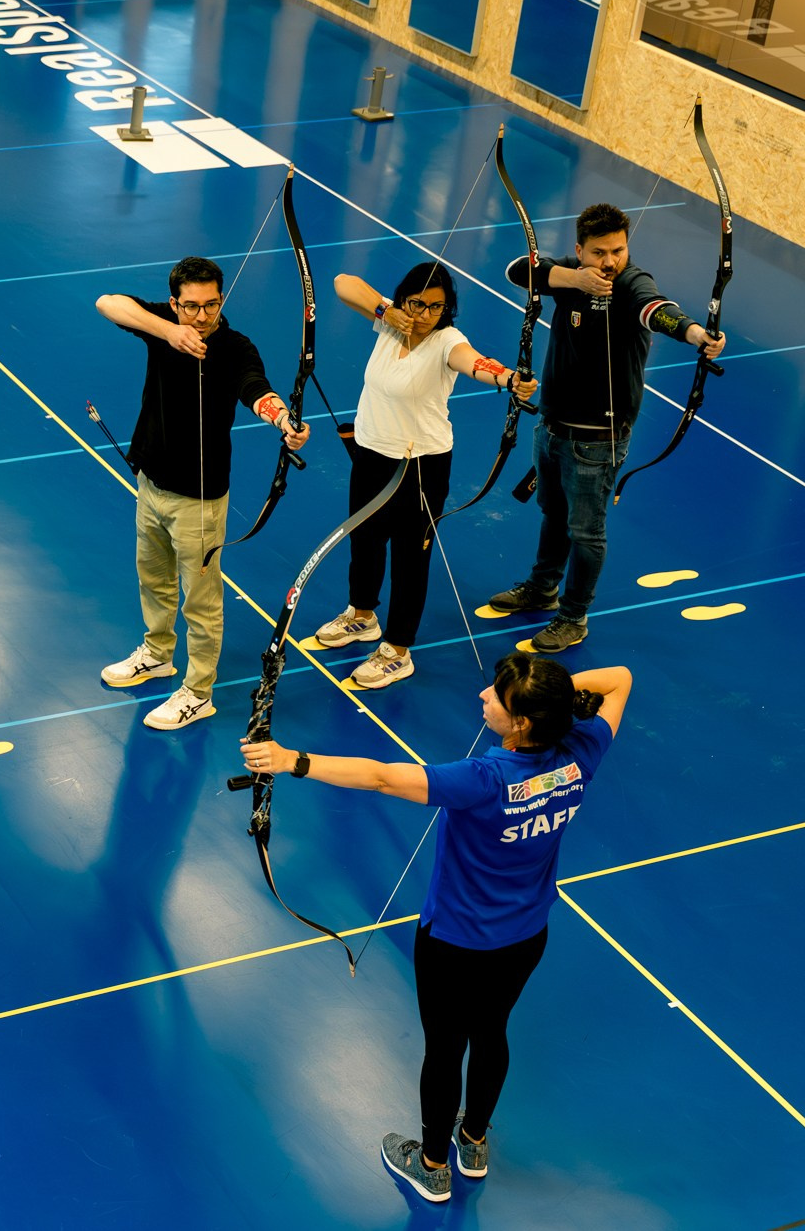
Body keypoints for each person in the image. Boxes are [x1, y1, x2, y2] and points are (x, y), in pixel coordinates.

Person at [239, 655, 632, 1204]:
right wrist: (558, 698)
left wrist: (290, 760)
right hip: (524, 937)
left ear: (521, 723)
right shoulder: (582, 752)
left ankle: (430, 1166)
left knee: (445, 1049)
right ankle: (472, 1143)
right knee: (492, 1032)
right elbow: (620, 679)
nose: (483, 697)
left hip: (454, 943)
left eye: (498, 696)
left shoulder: (484, 780)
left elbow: (380, 777)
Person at [486, 204, 725, 652]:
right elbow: (518, 270)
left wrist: (695, 333)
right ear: (580, 250)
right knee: (553, 515)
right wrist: (575, 278)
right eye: (599, 253)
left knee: (586, 532)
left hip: (598, 438)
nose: (610, 261)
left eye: (618, 250)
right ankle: (542, 588)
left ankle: (573, 617)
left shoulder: (633, 283)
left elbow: (658, 310)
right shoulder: (571, 275)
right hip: (553, 426)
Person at [93, 256, 309, 730]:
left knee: (201, 600)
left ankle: (198, 691)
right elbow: (108, 302)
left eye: (212, 305)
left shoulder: (234, 347)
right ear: (175, 303)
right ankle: (157, 653)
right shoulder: (166, 326)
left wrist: (283, 420)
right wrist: (168, 330)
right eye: (191, 307)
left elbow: (257, 389)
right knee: (153, 577)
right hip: (150, 482)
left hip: (199, 500)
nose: (202, 316)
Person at [312, 264, 538, 688]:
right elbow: (343, 282)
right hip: (371, 452)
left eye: (437, 306)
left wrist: (508, 378)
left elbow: (474, 362)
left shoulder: (446, 341)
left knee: (410, 557)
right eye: (418, 303)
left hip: (420, 465)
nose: (425, 313)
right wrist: (387, 309)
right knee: (364, 540)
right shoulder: (390, 324)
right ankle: (362, 616)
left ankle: (398, 649)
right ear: (403, 299)